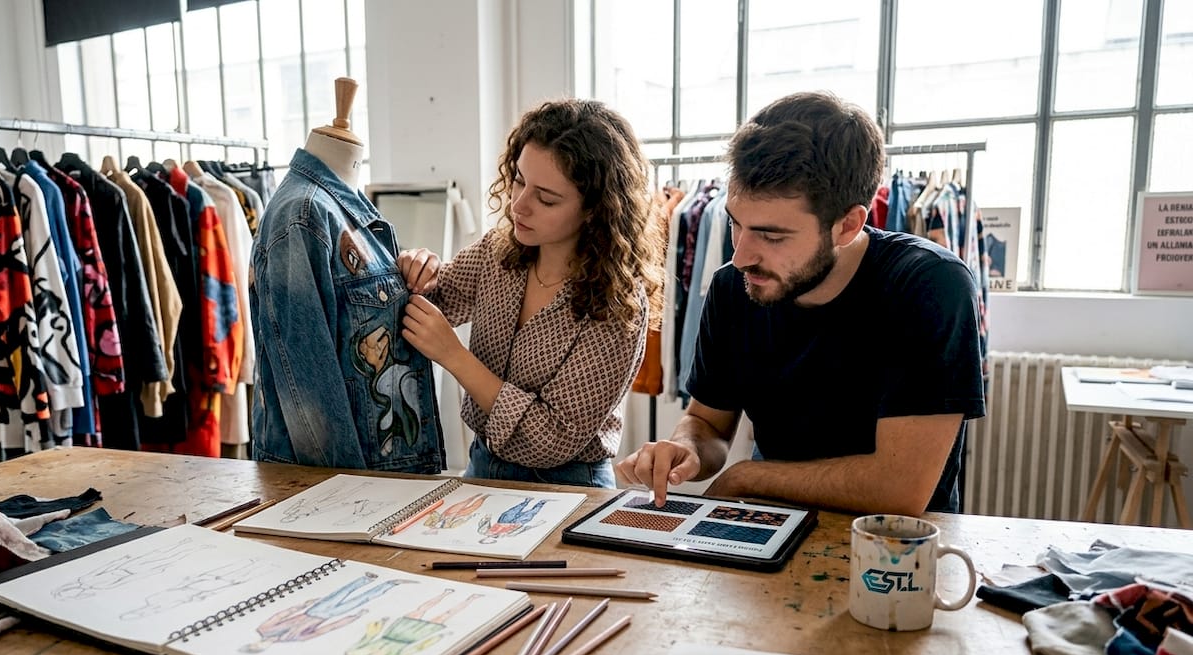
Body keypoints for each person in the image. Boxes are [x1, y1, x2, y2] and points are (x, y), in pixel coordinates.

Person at [617, 91, 985, 516]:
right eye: (737, 224)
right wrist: (685, 448)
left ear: (847, 225)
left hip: (895, 554)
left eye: (772, 236)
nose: (741, 256)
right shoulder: (733, 287)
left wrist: (745, 477)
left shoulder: (928, 286)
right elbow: (709, 424)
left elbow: (899, 490)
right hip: (769, 524)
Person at [397, 99, 664, 488]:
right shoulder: (497, 253)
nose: (518, 205)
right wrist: (416, 269)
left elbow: (552, 437)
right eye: (519, 180)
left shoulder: (617, 304)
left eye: (546, 198)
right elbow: (430, 304)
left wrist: (453, 355)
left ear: (595, 209)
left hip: (570, 486)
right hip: (482, 465)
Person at [251, 78, 446, 473]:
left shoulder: (351, 212)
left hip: (380, 475)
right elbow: (307, 384)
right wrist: (350, 492)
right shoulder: (302, 215)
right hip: (341, 484)